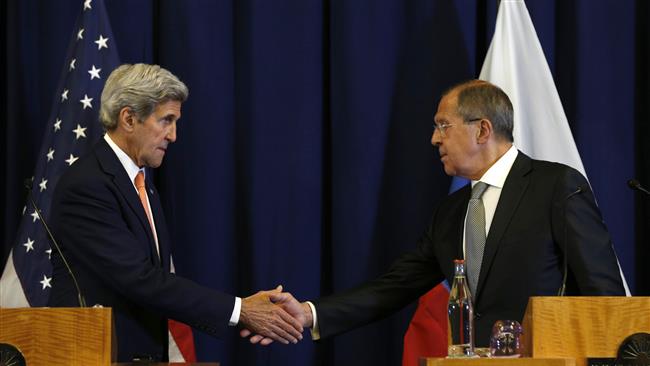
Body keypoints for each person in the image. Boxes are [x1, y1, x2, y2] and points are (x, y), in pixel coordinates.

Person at [242, 79, 626, 348]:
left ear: (483, 130)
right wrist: (309, 314)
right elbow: (394, 288)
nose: (434, 138)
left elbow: (603, 293)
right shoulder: (451, 212)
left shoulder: (555, 186)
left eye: (444, 125)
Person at [48, 64, 303, 362]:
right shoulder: (87, 184)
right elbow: (139, 278)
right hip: (95, 355)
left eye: (176, 121)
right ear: (129, 118)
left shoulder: (143, 186)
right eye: (166, 120)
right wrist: (239, 310)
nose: (174, 135)